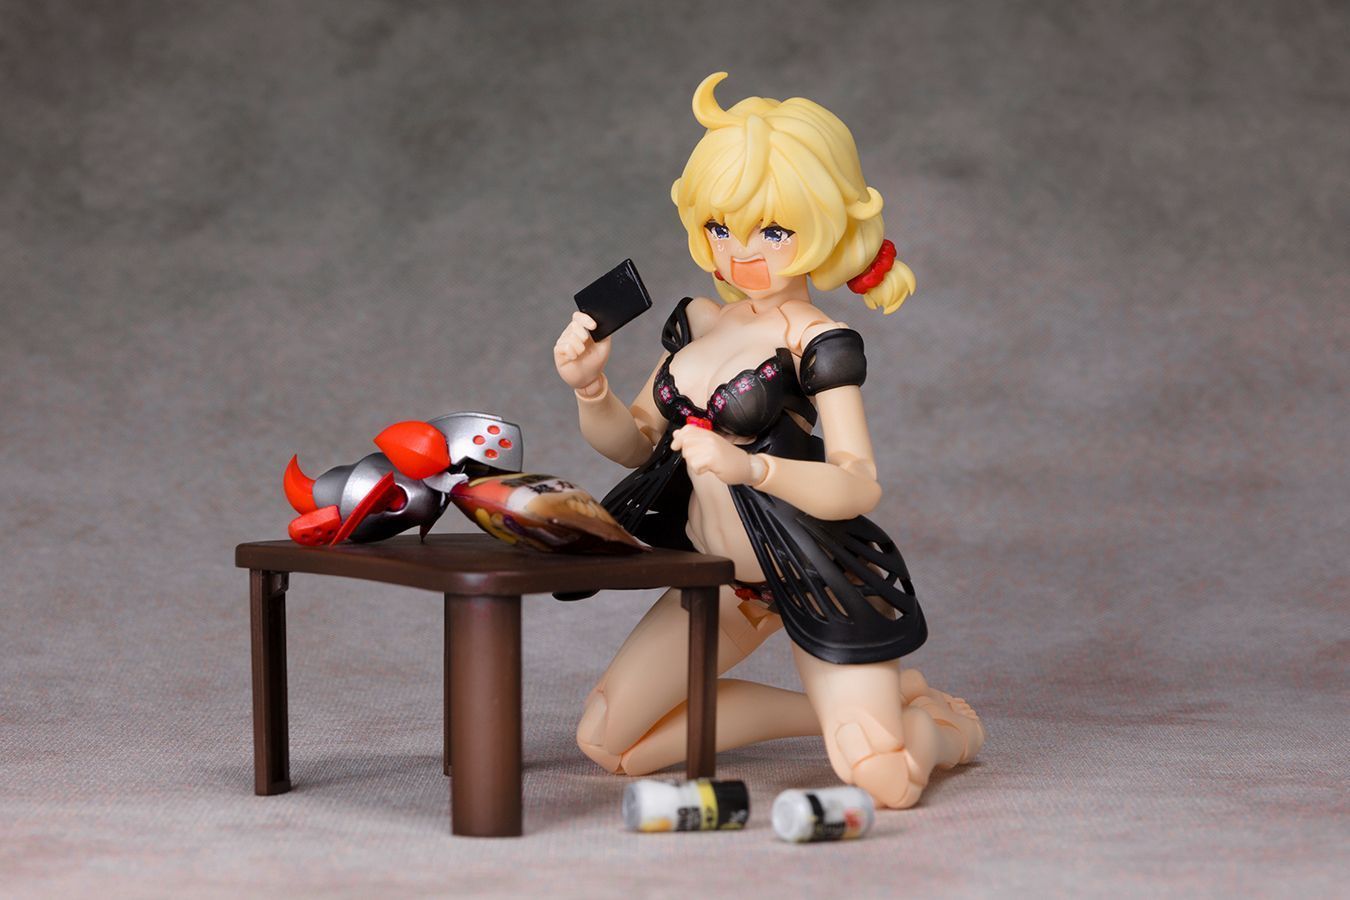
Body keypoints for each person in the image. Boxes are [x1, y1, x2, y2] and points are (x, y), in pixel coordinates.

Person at [552, 73, 983, 808]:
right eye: (721, 228)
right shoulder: (698, 322)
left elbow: (858, 482)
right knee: (610, 743)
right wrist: (590, 388)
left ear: (825, 225)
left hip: (816, 571)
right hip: (724, 586)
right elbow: (636, 446)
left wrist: (750, 468)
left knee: (884, 775)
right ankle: (839, 714)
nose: (741, 253)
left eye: (774, 232)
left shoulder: (819, 342)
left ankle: (948, 729)